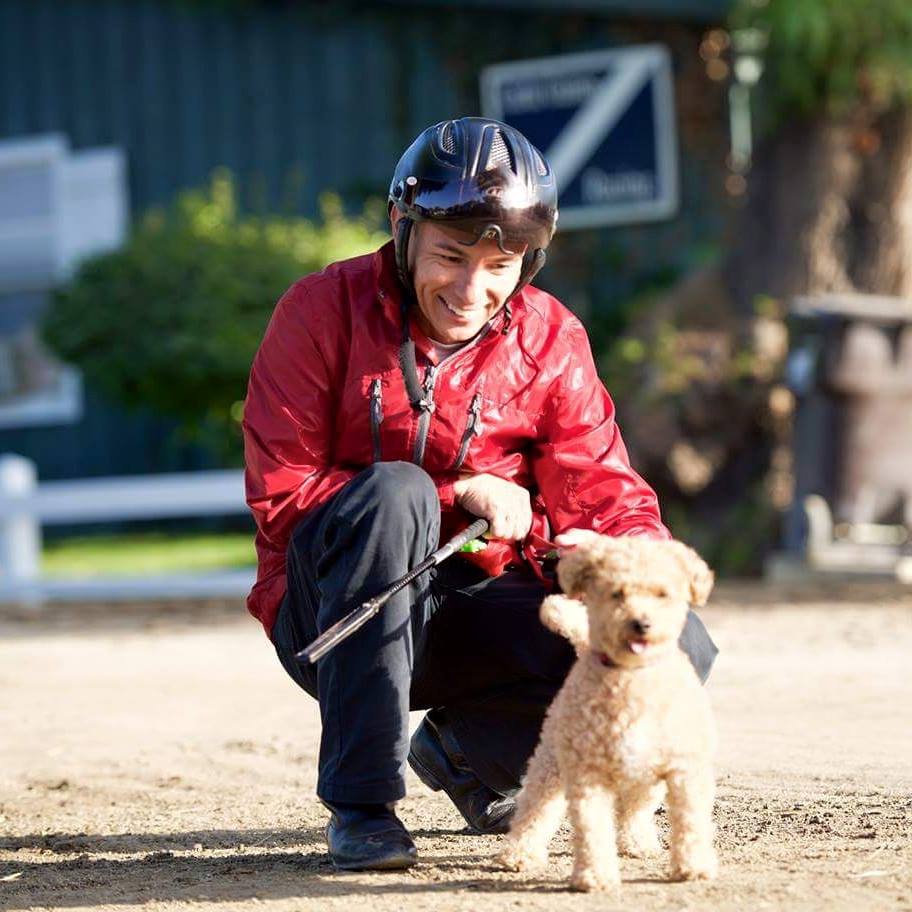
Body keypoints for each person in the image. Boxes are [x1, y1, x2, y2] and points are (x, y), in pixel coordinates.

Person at [243, 117, 718, 872]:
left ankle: (467, 754)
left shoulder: (552, 337)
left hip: (479, 598)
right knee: (396, 493)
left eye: (502, 264)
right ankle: (362, 805)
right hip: (336, 615)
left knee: (676, 641)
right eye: (452, 256)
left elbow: (604, 489)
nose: (473, 289)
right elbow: (283, 493)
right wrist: (454, 493)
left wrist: (626, 556)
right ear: (404, 229)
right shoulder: (316, 312)